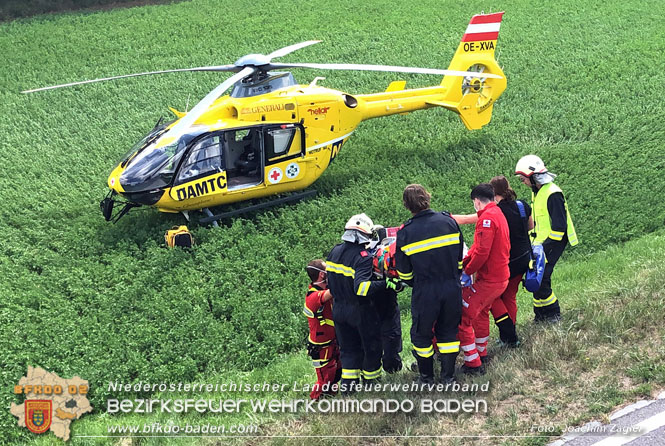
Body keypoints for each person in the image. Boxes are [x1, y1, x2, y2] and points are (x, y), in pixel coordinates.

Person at [452, 176, 534, 346]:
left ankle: (508, 336)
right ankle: (510, 336)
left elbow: (479, 244)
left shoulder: (493, 214)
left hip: (502, 266)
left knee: (492, 301)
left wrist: (467, 269)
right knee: (509, 297)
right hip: (523, 259)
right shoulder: (521, 206)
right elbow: (531, 226)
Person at [394, 184, 463, 384]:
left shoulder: (405, 233)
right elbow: (459, 257)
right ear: (427, 197)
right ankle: (448, 377)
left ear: (407, 205)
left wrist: (416, 283)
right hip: (452, 286)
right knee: (449, 331)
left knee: (421, 335)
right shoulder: (448, 222)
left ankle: (426, 377)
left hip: (425, 290)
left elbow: (404, 272)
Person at [326, 213, 388, 390]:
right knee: (371, 347)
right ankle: (372, 384)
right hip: (359, 311)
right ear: (365, 235)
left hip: (338, 309)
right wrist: (385, 284)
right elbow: (361, 289)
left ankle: (349, 387)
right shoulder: (363, 257)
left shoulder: (334, 251)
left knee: (348, 349)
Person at [515, 155, 578, 322]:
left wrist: (545, 246)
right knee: (535, 277)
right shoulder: (538, 192)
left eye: (523, 179)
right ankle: (541, 314)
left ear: (533, 176)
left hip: (554, 241)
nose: (523, 183)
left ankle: (553, 314)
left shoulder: (552, 193)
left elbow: (559, 227)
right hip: (541, 243)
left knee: (543, 277)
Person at [458, 183, 510, 374]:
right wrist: (466, 261)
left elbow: (481, 252)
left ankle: (473, 364)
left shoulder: (486, 219)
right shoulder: (497, 213)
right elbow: (477, 248)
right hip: (500, 277)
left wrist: (466, 270)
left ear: (477, 201)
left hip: (489, 280)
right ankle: (481, 352)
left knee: (463, 316)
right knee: (481, 314)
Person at [303, 259, 342, 400]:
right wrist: (343, 276)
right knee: (325, 378)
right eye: (327, 271)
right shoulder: (313, 297)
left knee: (336, 372)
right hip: (321, 347)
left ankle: (331, 395)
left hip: (332, 341)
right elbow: (332, 293)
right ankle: (315, 401)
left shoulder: (322, 289)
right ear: (321, 275)